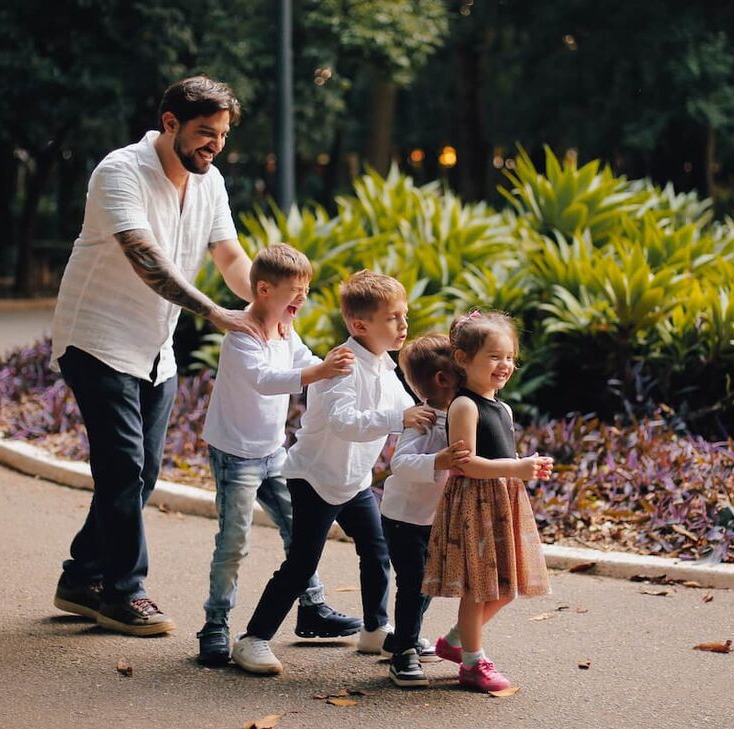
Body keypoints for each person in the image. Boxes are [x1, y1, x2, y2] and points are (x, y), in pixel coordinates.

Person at [50, 76, 268, 636]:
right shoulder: (120, 170)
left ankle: (81, 576)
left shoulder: (210, 181)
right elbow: (145, 256)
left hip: (155, 350)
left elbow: (229, 255)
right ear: (170, 123)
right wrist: (216, 314)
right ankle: (124, 593)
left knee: (142, 475)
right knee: (123, 469)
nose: (214, 145)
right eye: (204, 133)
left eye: (221, 135)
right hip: (96, 339)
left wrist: (267, 302)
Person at [230, 270, 437, 675]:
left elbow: (412, 405)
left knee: (377, 553)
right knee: (302, 563)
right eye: (394, 317)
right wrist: (401, 418)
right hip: (314, 479)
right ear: (360, 325)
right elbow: (347, 422)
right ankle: (252, 639)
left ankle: (376, 630)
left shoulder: (383, 365)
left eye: (405, 315)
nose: (404, 325)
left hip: (353, 482)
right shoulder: (340, 366)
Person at [197, 244, 362, 666]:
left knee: (299, 530)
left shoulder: (287, 330)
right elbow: (266, 380)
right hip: (236, 455)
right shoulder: (242, 335)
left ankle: (313, 606)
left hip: (273, 452)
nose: (302, 299)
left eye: (306, 290)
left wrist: (336, 366)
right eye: (295, 291)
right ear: (265, 289)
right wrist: (319, 372)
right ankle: (215, 624)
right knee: (234, 541)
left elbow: (304, 361)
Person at [422, 309, 553, 693]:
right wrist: (516, 468)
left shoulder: (503, 407)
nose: (505, 365)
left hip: (502, 500)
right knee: (478, 589)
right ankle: (472, 664)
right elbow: (466, 464)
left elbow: (500, 455)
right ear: (463, 359)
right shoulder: (465, 405)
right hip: (475, 503)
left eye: (510, 356)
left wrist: (525, 467)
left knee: (506, 586)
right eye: (494, 356)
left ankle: (455, 642)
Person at [380, 333, 470, 687]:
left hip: (435, 518)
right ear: (443, 380)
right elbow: (400, 463)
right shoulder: (425, 419)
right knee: (414, 583)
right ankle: (402, 653)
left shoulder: (462, 414)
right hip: (404, 518)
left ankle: (403, 634)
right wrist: (439, 459)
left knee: (428, 584)